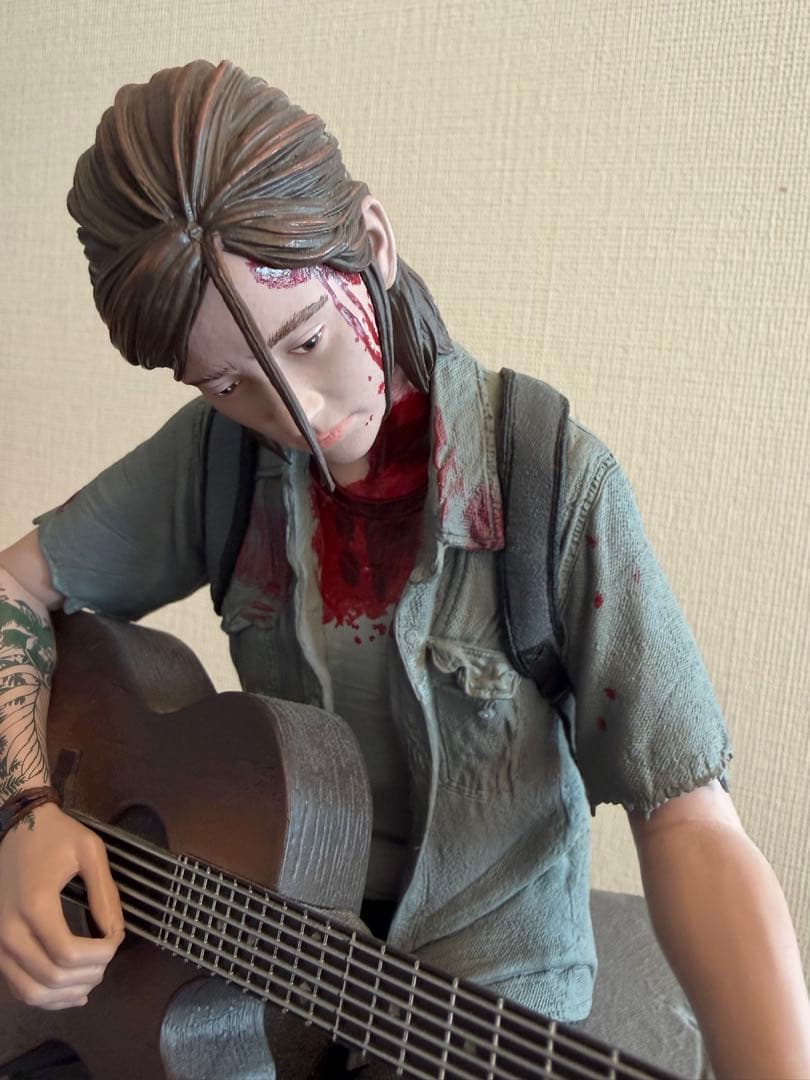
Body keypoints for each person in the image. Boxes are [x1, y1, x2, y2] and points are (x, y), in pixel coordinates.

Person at [0, 59, 808, 1079]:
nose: (296, 410)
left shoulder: (548, 479)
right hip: (256, 961)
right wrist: (25, 813)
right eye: (230, 385)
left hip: (482, 992)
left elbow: (684, 810)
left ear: (373, 242)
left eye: (308, 339)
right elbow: (13, 586)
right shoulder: (218, 462)